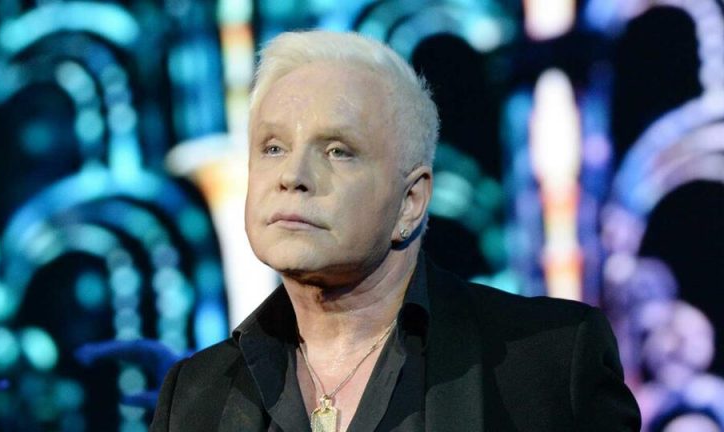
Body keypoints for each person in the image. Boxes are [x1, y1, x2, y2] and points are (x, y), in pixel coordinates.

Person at [150, 30, 641, 432]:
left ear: (411, 202)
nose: (292, 175)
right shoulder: (194, 394)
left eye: (337, 151)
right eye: (273, 147)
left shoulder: (550, 362)